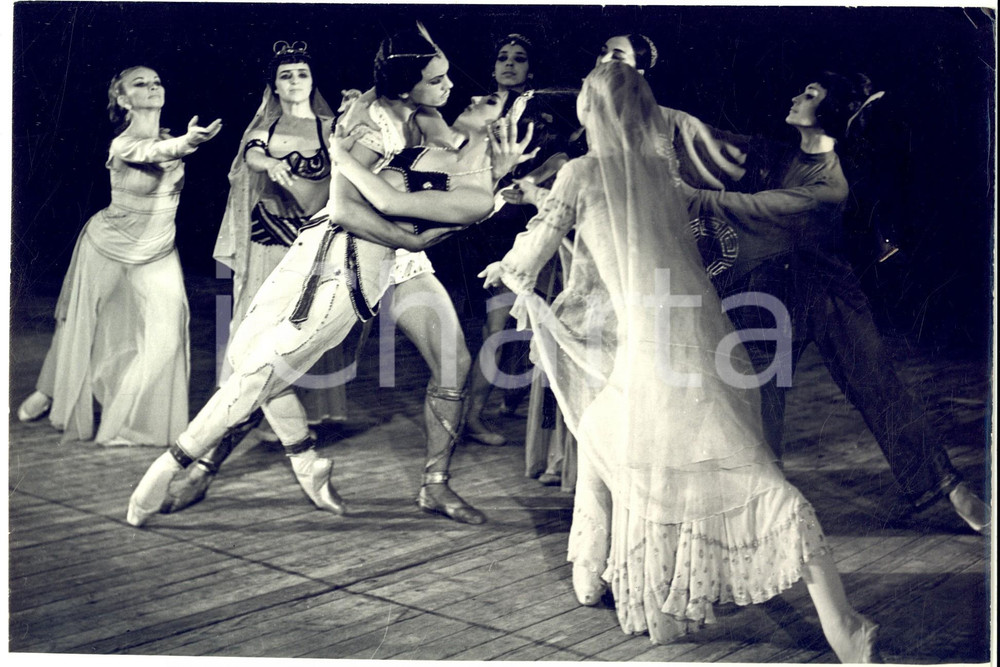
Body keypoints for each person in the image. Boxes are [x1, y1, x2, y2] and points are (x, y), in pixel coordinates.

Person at [481, 62, 879, 661]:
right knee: (603, 429)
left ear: (594, 113)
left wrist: (506, 269)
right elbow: (626, 230)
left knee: (737, 478)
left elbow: (540, 244)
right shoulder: (659, 175)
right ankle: (596, 569)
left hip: (652, 347)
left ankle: (842, 623)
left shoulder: (581, 172)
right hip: (702, 340)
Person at [125, 26, 532, 528]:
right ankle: (207, 464)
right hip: (348, 249)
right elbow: (341, 207)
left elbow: (457, 162)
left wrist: (496, 166)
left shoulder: (421, 108)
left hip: (397, 255)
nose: (453, 87)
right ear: (407, 85)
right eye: (439, 77)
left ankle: (435, 485)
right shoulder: (368, 121)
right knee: (269, 360)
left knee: (455, 361)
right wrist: (414, 234)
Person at [686, 71, 990, 535]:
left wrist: (686, 196)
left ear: (832, 113)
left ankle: (950, 487)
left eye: (810, 94)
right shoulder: (771, 153)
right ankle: (760, 507)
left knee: (879, 388)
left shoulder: (832, 185)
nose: (795, 95)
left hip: (828, 296)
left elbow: (750, 208)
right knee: (758, 401)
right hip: (770, 294)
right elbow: (701, 135)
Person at [163, 42, 357, 512]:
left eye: (302, 73)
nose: (295, 81)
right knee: (253, 356)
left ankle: (210, 464)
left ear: (313, 80)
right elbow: (252, 156)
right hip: (271, 251)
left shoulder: (333, 127)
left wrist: (358, 114)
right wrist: (269, 162)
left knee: (278, 358)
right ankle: (222, 464)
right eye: (286, 75)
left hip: (317, 253)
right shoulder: (265, 128)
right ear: (274, 85)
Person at [16, 66, 221, 446]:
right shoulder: (124, 144)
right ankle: (50, 391)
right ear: (124, 100)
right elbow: (153, 152)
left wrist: (183, 142)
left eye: (157, 81)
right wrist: (188, 143)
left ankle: (132, 424)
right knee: (80, 326)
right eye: (140, 83)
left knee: (167, 338)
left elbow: (164, 147)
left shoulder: (168, 137)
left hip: (157, 251)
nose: (153, 87)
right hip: (108, 245)